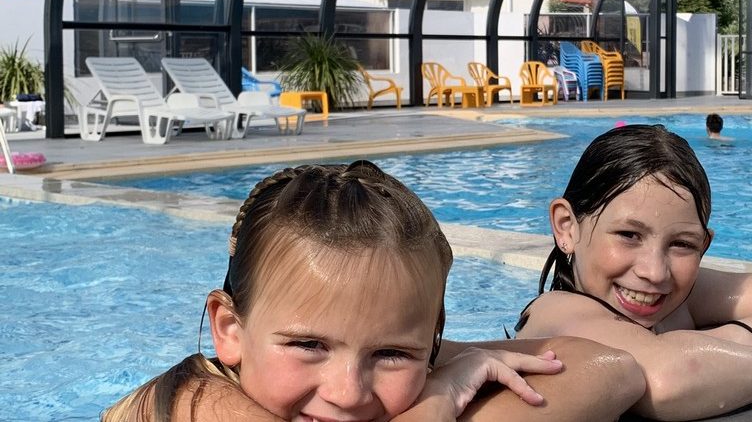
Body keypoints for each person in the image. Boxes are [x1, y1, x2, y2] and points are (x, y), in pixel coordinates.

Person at [102, 161, 641, 422]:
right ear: (230, 330)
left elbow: (616, 369)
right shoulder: (190, 407)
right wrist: (436, 398)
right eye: (309, 345)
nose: (349, 392)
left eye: (388, 352)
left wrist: (434, 365)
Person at [515, 124, 752, 420]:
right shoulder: (557, 312)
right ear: (567, 227)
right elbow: (666, 378)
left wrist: (727, 342)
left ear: (704, 243)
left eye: (682, 244)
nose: (654, 271)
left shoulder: (679, 296)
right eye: (629, 235)